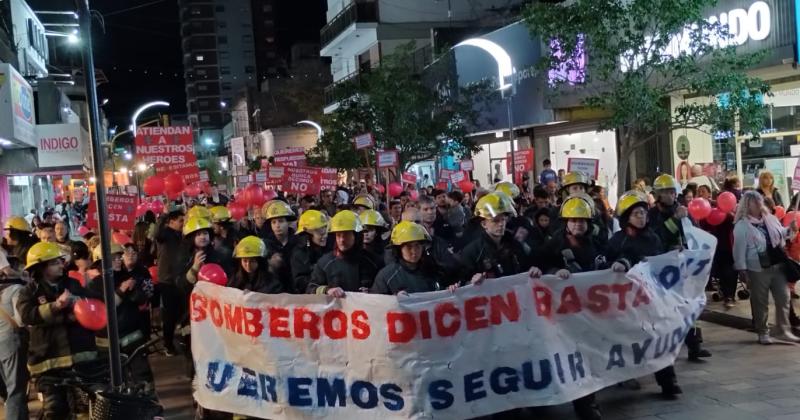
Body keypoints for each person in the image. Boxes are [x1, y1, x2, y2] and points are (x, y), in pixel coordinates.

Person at [606, 190, 688, 398]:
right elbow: (607, 265)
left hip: (652, 299)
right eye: (636, 214)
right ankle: (626, 374)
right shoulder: (617, 240)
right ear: (626, 217)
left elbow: (660, 259)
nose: (641, 217)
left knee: (658, 337)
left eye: (643, 213)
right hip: (625, 303)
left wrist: (673, 253)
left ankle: (668, 381)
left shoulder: (653, 237)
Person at [533, 196, 608, 420]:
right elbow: (537, 265)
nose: (578, 224)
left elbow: (609, 258)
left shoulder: (597, 241)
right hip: (562, 315)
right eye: (574, 220)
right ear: (566, 221)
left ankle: (587, 402)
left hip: (591, 311)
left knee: (587, 356)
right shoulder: (554, 243)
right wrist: (555, 271)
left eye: (582, 221)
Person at [17, 242, 98, 419]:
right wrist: (56, 306)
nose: (61, 265)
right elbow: (27, 315)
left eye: (60, 261)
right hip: (48, 365)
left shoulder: (73, 284)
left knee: (84, 411)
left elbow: (90, 306)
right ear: (41, 268)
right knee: (55, 412)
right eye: (54, 263)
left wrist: (77, 307)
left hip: (79, 361)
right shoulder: (28, 293)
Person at [86, 243, 154, 397]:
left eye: (118, 257)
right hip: (107, 341)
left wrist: (135, 290)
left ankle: (149, 406)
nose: (118, 261)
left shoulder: (126, 276)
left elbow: (142, 298)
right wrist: (122, 290)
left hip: (132, 336)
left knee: (142, 375)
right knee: (115, 381)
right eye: (113, 258)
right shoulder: (95, 285)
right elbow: (104, 309)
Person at [733, 191, 799, 344]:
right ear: (747, 205)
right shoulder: (742, 226)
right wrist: (742, 269)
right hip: (757, 268)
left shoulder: (770, 219)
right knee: (760, 301)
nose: (758, 204)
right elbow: (738, 249)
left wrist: (790, 229)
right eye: (754, 202)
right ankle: (763, 331)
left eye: (759, 201)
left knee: (784, 298)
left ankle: (783, 330)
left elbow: (782, 235)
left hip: (778, 264)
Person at [457, 192, 527, 285]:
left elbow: (526, 270)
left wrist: (534, 271)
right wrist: (471, 282)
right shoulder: (472, 252)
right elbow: (462, 285)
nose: (501, 224)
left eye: (503, 219)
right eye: (495, 221)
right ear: (484, 224)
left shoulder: (515, 245)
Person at [307, 210, 380, 296]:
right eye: (338, 235)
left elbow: (383, 292)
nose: (342, 240)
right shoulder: (325, 263)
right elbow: (310, 288)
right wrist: (327, 290)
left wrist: (372, 292)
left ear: (356, 236)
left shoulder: (373, 262)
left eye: (346, 235)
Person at [372, 221, 440, 295]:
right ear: (399, 249)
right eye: (409, 246)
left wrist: (450, 289)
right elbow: (376, 303)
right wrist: (394, 299)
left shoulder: (431, 269)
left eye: (417, 245)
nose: (414, 251)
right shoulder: (386, 276)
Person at [0, 249, 28, 420]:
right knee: (16, 391)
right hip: (11, 343)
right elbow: (22, 320)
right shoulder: (16, 289)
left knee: (9, 389)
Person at [155, 209, 185, 356]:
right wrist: (164, 217)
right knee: (169, 315)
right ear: (171, 222)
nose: (183, 223)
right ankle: (168, 344)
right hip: (167, 280)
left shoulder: (180, 235)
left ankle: (178, 339)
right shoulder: (165, 234)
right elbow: (158, 234)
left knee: (179, 312)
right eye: (180, 220)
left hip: (179, 279)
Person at [290, 210, 330, 294]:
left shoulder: (330, 248)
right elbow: (300, 282)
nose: (325, 235)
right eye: (320, 232)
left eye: (325, 229)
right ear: (307, 234)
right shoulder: (299, 254)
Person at [262, 200, 297, 289]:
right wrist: (269, 266)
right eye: (273, 222)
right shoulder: (264, 245)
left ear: (288, 222)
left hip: (296, 292)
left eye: (281, 221)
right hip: (274, 293)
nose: (277, 225)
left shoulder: (299, 242)